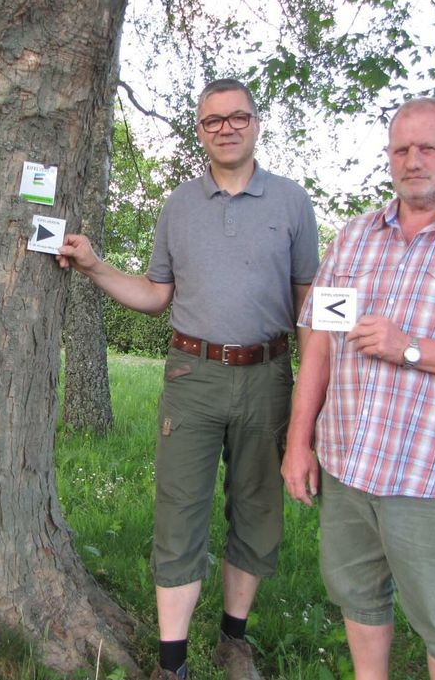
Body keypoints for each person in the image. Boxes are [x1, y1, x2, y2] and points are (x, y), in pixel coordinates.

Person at [57, 79, 319, 680]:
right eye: (212, 121)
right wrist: (95, 267)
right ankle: (171, 663)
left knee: (256, 507)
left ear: (256, 124)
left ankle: (234, 640)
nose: (226, 128)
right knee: (180, 511)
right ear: (200, 131)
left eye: (237, 117)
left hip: (269, 376)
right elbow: (155, 296)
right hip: (192, 375)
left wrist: (312, 394)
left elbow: (310, 304)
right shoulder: (178, 206)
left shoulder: (291, 202)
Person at [282, 97, 435, 679]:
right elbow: (319, 341)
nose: (413, 160)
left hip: (432, 477)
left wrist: (411, 349)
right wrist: (300, 441)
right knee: (359, 597)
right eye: (401, 149)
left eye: (427, 147)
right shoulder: (354, 238)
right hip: (347, 465)